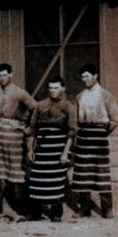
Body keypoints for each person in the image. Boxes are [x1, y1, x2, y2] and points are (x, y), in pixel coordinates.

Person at [0, 63, 37, 217]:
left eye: (5, 75)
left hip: (15, 136)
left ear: (11, 75)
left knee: (17, 171)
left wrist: (27, 126)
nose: (2, 78)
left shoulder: (20, 93)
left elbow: (35, 109)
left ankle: (22, 208)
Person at [72, 64, 118, 218]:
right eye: (82, 77)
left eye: (87, 76)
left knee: (102, 174)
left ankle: (107, 209)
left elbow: (115, 120)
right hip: (83, 137)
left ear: (95, 76)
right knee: (82, 173)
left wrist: (102, 133)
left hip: (99, 138)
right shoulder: (79, 97)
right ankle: (85, 209)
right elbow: (75, 120)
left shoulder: (107, 95)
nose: (84, 79)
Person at [26, 76, 77, 222]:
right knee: (37, 178)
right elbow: (32, 130)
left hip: (58, 148)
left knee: (57, 180)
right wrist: (31, 150)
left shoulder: (69, 106)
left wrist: (65, 152)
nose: (53, 91)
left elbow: (72, 132)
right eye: (51, 88)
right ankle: (36, 212)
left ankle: (56, 213)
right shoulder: (40, 105)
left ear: (63, 89)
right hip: (42, 148)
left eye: (56, 88)